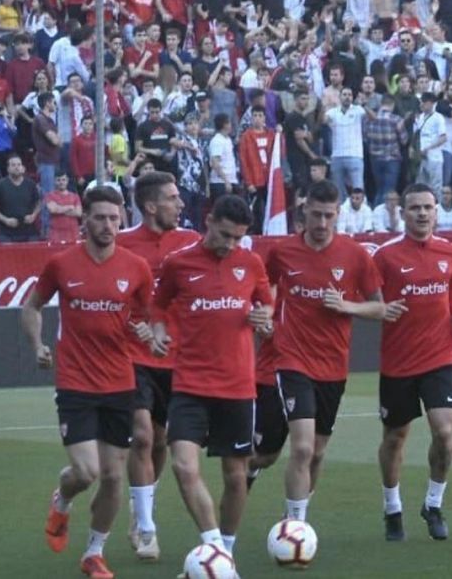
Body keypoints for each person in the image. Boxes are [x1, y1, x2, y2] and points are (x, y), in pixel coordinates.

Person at [20, 186, 155, 579]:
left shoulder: (136, 268)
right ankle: (62, 499)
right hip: (75, 380)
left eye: (115, 218)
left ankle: (94, 552)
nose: (108, 225)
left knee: (114, 476)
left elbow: (142, 318)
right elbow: (31, 306)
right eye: (100, 217)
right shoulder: (62, 264)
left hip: (119, 382)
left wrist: (149, 334)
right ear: (85, 221)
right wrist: (37, 345)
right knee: (85, 472)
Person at [149, 195, 274, 557]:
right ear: (209, 220)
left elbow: (266, 302)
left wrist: (263, 316)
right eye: (224, 235)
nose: (230, 245)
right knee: (183, 466)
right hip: (189, 384)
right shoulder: (178, 263)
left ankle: (227, 551)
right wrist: (157, 331)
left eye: (237, 238)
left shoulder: (250, 263)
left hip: (237, 387)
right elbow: (158, 305)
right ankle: (214, 546)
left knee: (236, 476)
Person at [262, 180, 384, 526]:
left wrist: (346, 306)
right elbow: (265, 288)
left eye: (329, 216)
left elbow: (380, 309)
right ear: (304, 211)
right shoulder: (282, 252)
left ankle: (295, 513)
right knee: (301, 447)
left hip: (333, 365)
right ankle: (295, 529)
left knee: (316, 452)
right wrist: (266, 316)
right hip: (292, 359)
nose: (321, 223)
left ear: (338, 214)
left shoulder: (356, 254)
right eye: (315, 215)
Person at [115, 171, 202, 562]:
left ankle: (142, 501)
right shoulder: (122, 244)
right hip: (133, 356)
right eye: (172, 198)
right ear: (151, 206)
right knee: (143, 436)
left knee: (162, 440)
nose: (180, 204)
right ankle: (147, 526)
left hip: (178, 357)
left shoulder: (191, 242)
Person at [374, 185, 452, 542]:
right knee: (395, 437)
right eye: (415, 208)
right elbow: (367, 294)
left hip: (440, 357)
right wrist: (379, 309)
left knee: (444, 432)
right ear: (403, 213)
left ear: (436, 211)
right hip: (398, 362)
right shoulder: (385, 256)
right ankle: (392, 508)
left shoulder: (450, 251)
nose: (423, 214)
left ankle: (434, 503)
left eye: (428, 207)